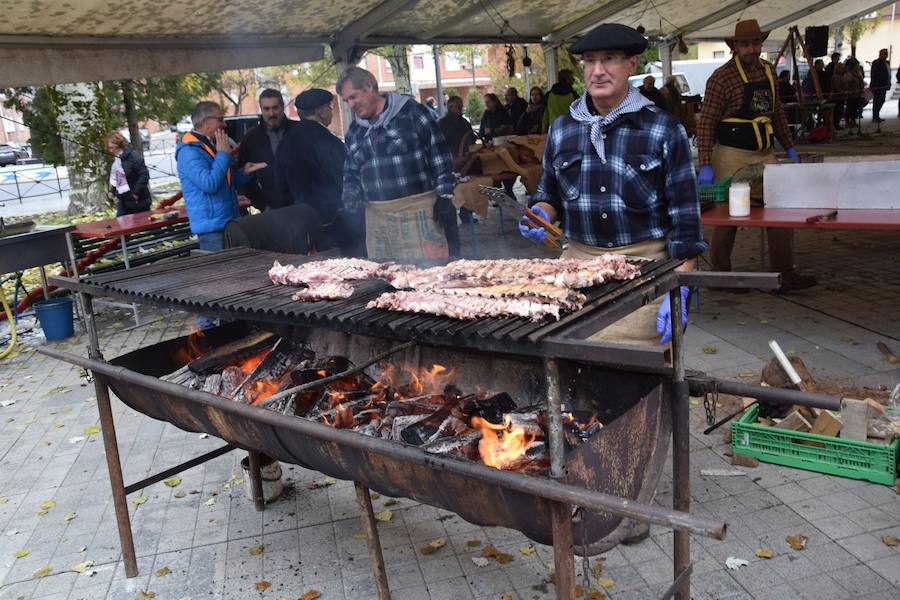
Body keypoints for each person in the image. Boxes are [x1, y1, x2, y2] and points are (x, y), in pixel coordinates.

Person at [521, 23, 706, 351]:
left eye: (609, 59)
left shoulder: (663, 130)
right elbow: (549, 192)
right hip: (577, 273)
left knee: (637, 380)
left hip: (644, 274)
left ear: (632, 64)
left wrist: (681, 288)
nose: (598, 71)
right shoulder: (563, 129)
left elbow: (686, 226)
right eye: (590, 61)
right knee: (573, 376)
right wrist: (541, 212)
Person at [697, 20, 816, 293]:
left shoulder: (769, 72)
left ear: (761, 44)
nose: (751, 48)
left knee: (778, 212)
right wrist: (705, 165)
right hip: (731, 156)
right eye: (745, 44)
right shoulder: (721, 78)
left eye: (755, 43)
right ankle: (721, 277)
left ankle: (783, 274)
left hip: (764, 155)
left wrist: (790, 148)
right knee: (729, 217)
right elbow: (706, 123)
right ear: (735, 46)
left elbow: (777, 115)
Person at [338, 66, 459, 258]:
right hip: (379, 220)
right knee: (386, 280)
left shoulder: (412, 113)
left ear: (369, 86)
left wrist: (445, 197)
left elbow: (440, 157)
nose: (350, 105)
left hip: (420, 212)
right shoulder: (354, 131)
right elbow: (351, 173)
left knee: (432, 279)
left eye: (353, 97)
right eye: (346, 101)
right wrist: (350, 199)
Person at [176, 101, 267, 252]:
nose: (224, 124)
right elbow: (209, 184)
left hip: (228, 222)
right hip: (212, 230)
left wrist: (244, 173)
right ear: (206, 122)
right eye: (220, 119)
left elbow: (225, 183)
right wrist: (223, 154)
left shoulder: (209, 146)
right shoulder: (189, 151)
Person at [274, 88, 352, 253]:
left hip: (298, 224)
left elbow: (280, 185)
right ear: (321, 112)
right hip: (333, 224)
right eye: (330, 108)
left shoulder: (286, 141)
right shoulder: (328, 141)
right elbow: (345, 179)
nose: (331, 111)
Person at [237, 89, 296, 211]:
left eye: (275, 108)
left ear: (283, 106)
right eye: (266, 109)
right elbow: (245, 175)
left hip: (303, 205)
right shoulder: (251, 138)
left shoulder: (298, 131)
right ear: (261, 109)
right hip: (271, 208)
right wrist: (262, 205)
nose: (271, 113)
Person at [105, 131, 151, 216]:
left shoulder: (134, 157)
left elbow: (144, 176)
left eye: (112, 147)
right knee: (121, 224)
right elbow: (119, 178)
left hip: (139, 201)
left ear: (119, 145)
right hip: (123, 201)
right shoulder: (117, 160)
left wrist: (136, 193)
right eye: (109, 148)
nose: (111, 150)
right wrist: (112, 191)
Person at [439, 95, 476, 166]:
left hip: (468, 158)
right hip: (452, 161)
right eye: (459, 107)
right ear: (450, 107)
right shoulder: (442, 124)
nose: (461, 109)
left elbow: (472, 137)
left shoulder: (465, 122)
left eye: (462, 107)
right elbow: (439, 146)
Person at [541, 69, 579, 133]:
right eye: (572, 79)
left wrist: (543, 131)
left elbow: (545, 116)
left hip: (554, 129)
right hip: (570, 130)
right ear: (567, 79)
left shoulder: (549, 95)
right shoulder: (573, 95)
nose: (573, 81)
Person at [869, 49, 890, 123]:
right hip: (878, 86)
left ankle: (877, 115)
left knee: (882, 100)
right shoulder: (876, 63)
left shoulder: (886, 63)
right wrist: (874, 85)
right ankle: (875, 117)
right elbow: (874, 74)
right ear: (881, 54)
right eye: (885, 53)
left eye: (887, 53)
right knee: (877, 101)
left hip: (884, 85)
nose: (886, 55)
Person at [844, 57, 865, 129]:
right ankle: (847, 121)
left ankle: (853, 120)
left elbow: (861, 81)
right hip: (851, 94)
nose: (858, 67)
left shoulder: (859, 73)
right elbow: (847, 83)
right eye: (856, 66)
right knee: (849, 108)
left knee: (855, 109)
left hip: (858, 94)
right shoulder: (848, 74)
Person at [830, 62, 848, 129]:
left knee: (840, 111)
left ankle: (837, 123)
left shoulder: (842, 76)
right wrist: (843, 92)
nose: (843, 69)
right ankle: (835, 124)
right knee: (837, 112)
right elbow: (837, 87)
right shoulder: (836, 77)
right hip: (837, 97)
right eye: (842, 68)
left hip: (841, 97)